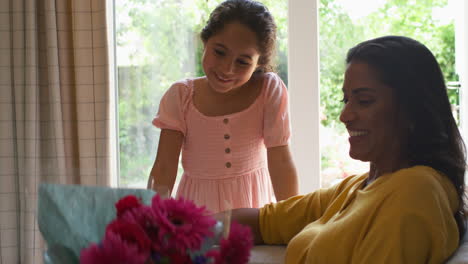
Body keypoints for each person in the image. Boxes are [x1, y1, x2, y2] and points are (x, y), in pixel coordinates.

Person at [230, 35, 467, 263]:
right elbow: (267, 222)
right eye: (346, 100)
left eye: (364, 101)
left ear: (413, 110)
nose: (345, 116)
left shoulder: (414, 191)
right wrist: (195, 228)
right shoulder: (360, 186)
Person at [147, 0, 299, 213]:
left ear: (259, 64)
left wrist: (293, 218)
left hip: (253, 207)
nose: (227, 69)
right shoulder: (181, 95)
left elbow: (281, 161)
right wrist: (153, 220)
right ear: (205, 40)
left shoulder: (268, 89)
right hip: (197, 209)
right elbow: (164, 167)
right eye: (219, 52)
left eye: (243, 62)